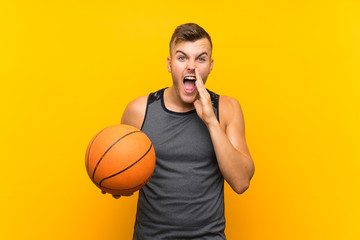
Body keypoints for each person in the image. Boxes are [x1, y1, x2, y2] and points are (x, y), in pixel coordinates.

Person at [120, 23, 255, 239]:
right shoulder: (139, 111)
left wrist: (211, 121)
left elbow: (241, 182)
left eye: (200, 59)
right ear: (170, 63)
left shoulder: (228, 109)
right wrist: (113, 181)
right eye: (182, 57)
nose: (191, 66)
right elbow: (122, 176)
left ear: (210, 65)